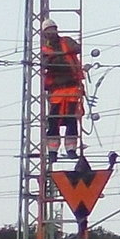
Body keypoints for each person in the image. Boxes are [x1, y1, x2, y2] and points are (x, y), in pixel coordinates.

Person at [40, 18, 84, 162]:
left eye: (53, 29)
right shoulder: (44, 49)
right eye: (48, 31)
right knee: (54, 120)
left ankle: (71, 149)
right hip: (56, 90)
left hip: (72, 87)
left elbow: (77, 48)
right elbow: (46, 64)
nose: (51, 33)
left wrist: (59, 55)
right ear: (45, 34)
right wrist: (57, 58)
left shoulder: (66, 41)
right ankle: (52, 152)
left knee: (71, 119)